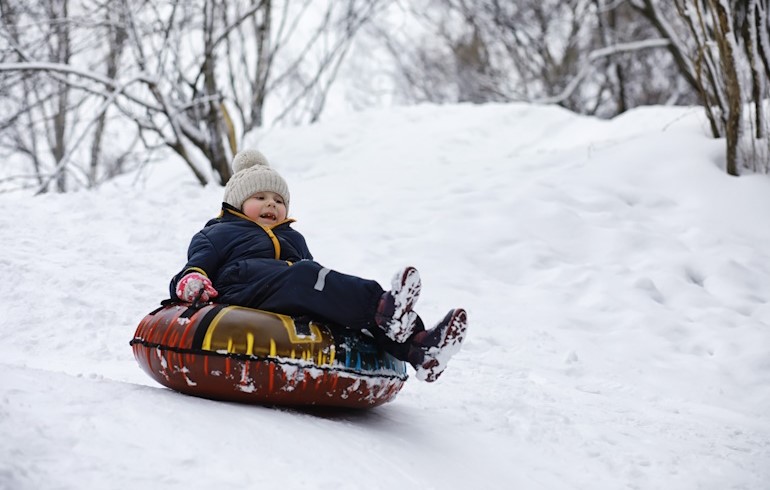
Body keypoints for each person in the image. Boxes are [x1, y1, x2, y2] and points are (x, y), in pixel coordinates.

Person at [170, 149, 468, 382]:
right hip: (244, 288)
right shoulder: (218, 232)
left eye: (278, 200)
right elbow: (194, 267)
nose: (271, 205)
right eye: (259, 197)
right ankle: (385, 308)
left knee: (345, 308)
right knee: (304, 274)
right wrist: (192, 279)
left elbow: (316, 282)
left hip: (288, 294)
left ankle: (420, 347)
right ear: (236, 203)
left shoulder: (293, 237)